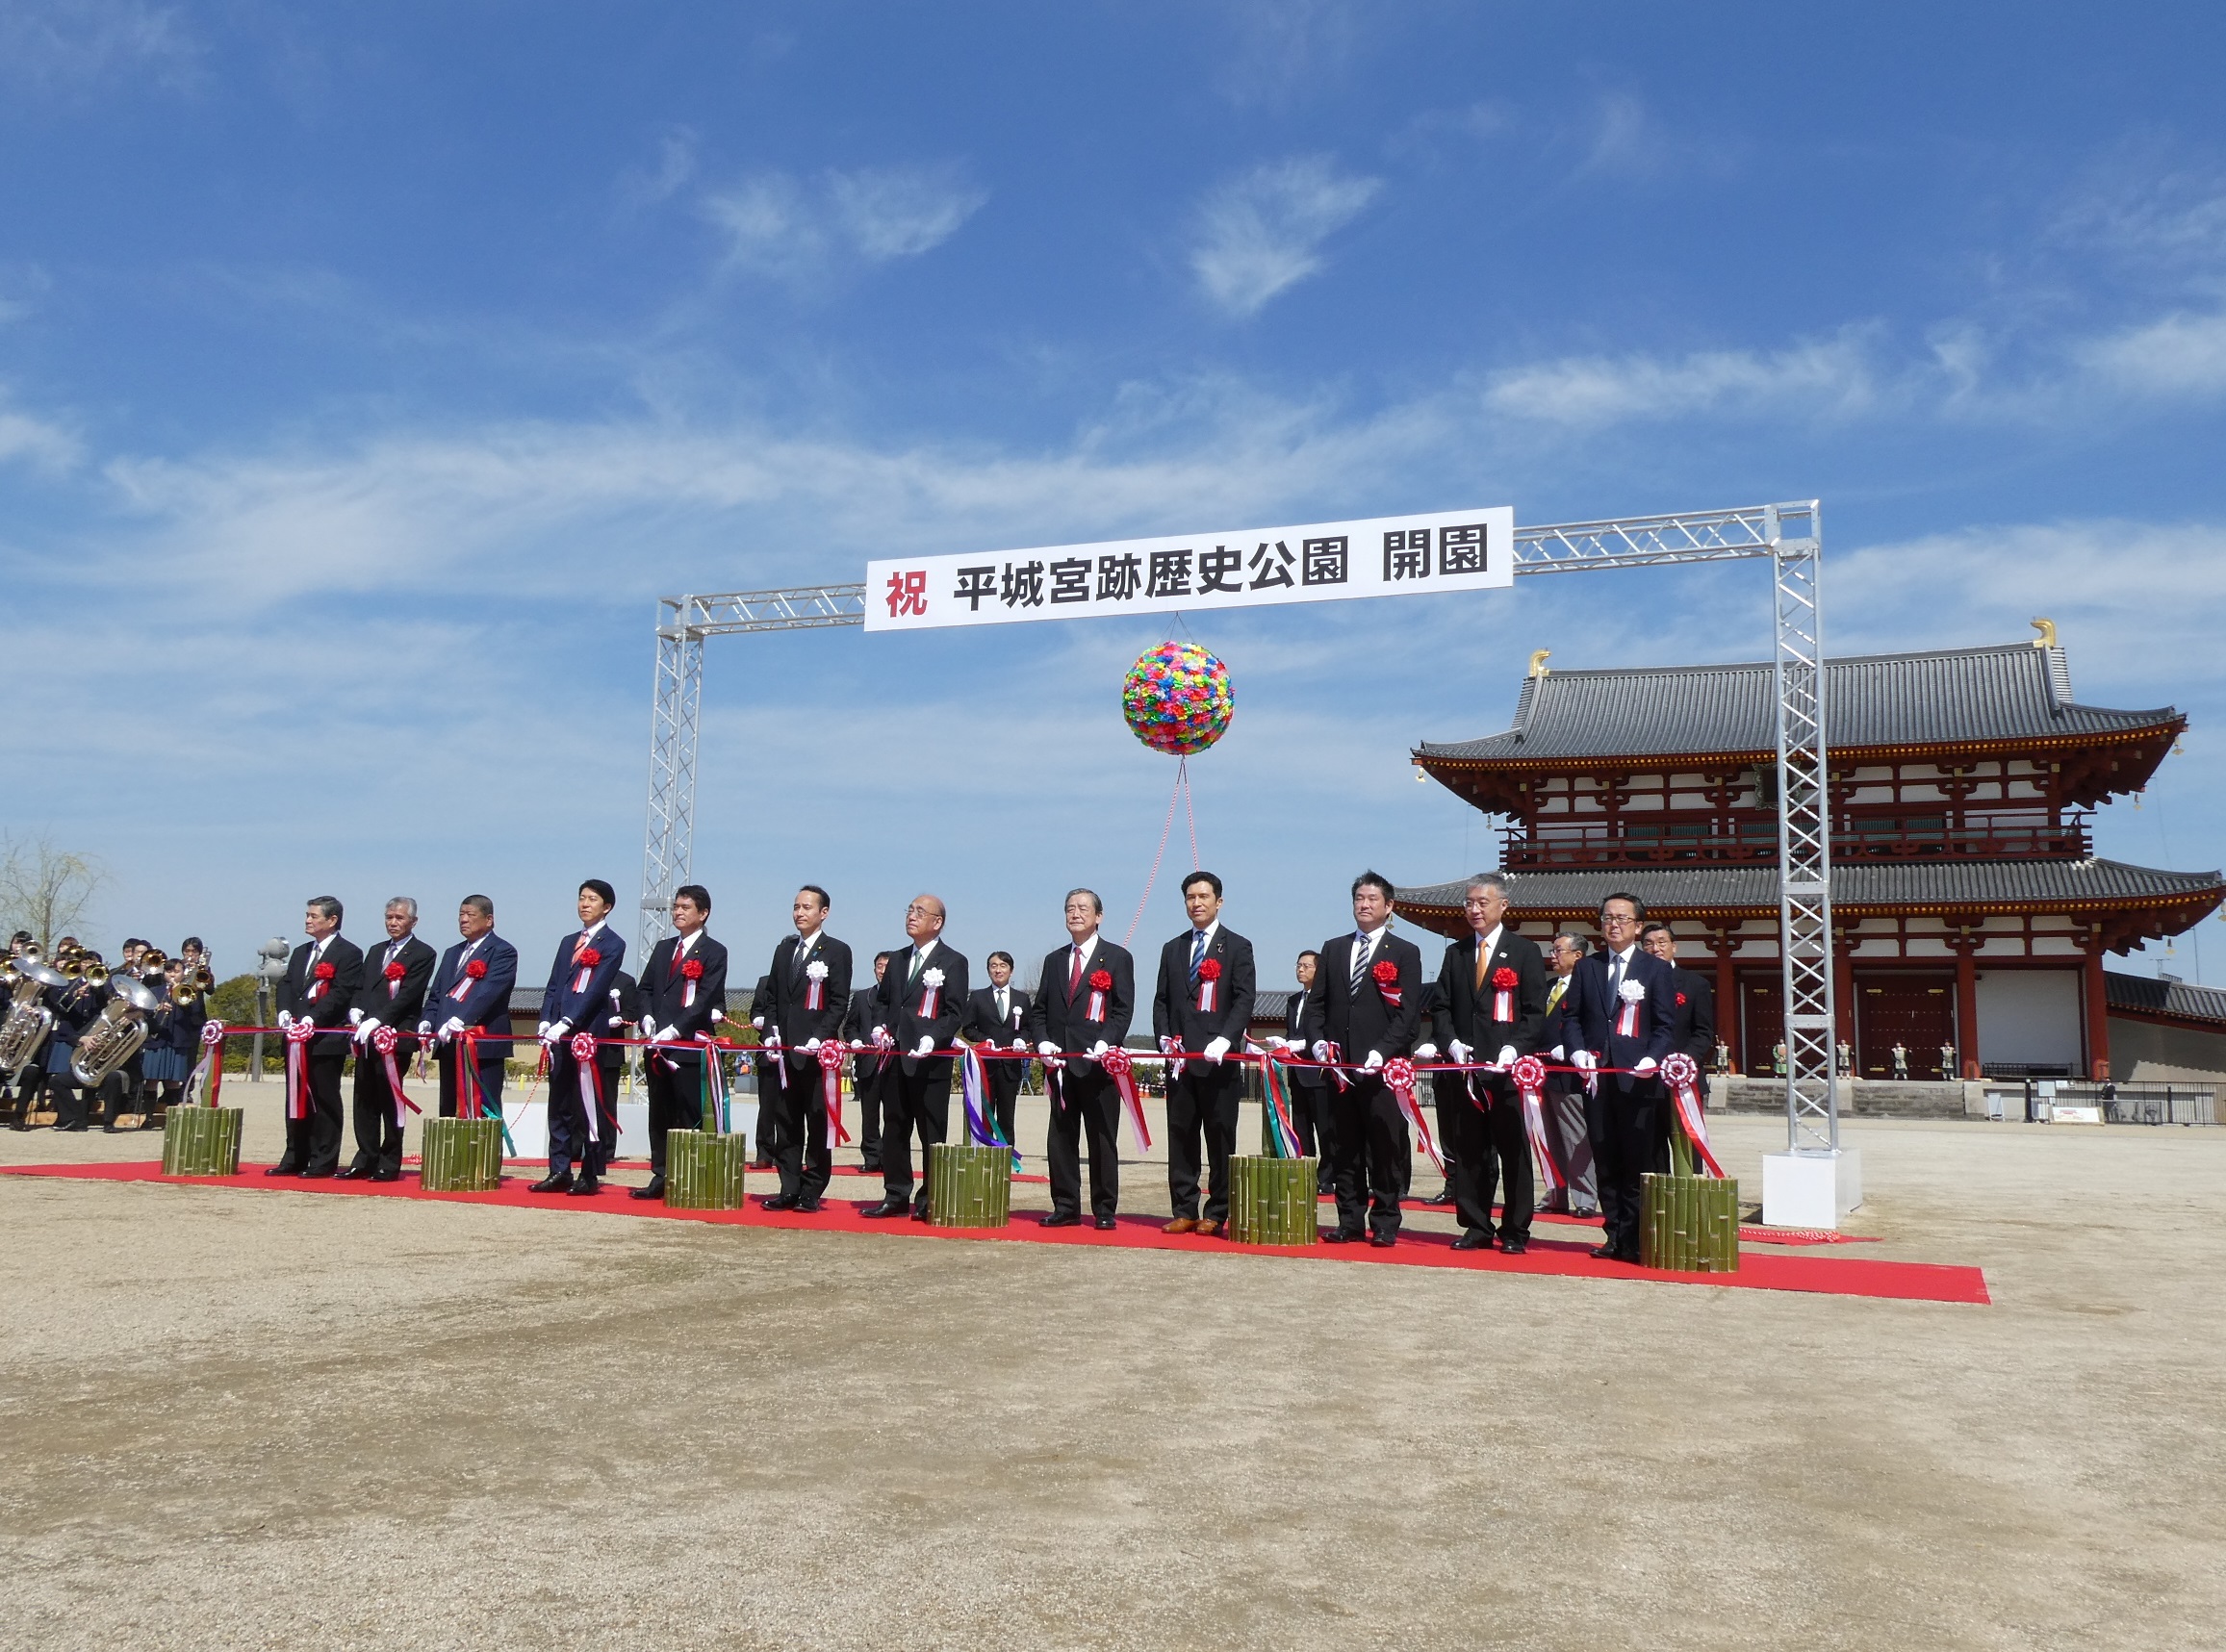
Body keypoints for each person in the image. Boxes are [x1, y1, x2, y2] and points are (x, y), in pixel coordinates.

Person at [1422, 872, 1550, 1254]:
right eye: (1469, 903)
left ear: (1503, 906)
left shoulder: (1525, 952)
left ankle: (1515, 1230)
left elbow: (1534, 1011)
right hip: (1466, 1071)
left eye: (1482, 902)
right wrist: (1452, 1042)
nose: (1474, 910)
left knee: (1513, 1152)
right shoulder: (1456, 953)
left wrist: (1516, 1048)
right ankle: (1475, 1224)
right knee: (1471, 1151)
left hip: (1509, 1071)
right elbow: (1441, 1006)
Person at [1300, 872, 1426, 1248]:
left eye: (1372, 898)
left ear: (1389, 907)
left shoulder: (1405, 952)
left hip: (1382, 1069)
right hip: (1339, 1068)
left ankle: (1386, 1220)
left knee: (1385, 1145)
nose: (1364, 904)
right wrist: (1318, 1043)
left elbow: (1408, 1014)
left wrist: (1382, 1051)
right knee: (1343, 1146)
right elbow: (1316, 1005)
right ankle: (1349, 1220)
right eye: (1358, 897)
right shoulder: (1334, 948)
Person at [1556, 892, 1678, 1263]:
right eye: (1608, 918)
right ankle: (1613, 1234)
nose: (1614, 925)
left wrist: (1650, 1059)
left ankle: (1637, 1237)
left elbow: (1664, 1025)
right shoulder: (1588, 967)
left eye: (1623, 919)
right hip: (1597, 1079)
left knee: (1637, 1159)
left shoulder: (1654, 969)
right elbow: (1572, 1017)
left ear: (1638, 926)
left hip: (1638, 1080)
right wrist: (1577, 1050)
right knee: (1605, 1157)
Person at [1149, 872, 1257, 1236]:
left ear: (1219, 901)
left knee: (1220, 1134)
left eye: (1203, 896)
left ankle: (1217, 1210)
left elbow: (1244, 999)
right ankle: (1184, 1208)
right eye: (1190, 898)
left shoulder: (1238, 947)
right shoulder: (1173, 948)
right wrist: (1163, 1038)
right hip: (1180, 1060)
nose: (1196, 903)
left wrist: (1227, 1039)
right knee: (1181, 1134)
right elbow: (1161, 999)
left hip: (1218, 1059)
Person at [1024, 888, 1134, 1231]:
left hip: (1099, 1065)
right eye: (1069, 908)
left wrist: (1105, 1043)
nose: (1075, 913)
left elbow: (1122, 1010)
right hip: (1060, 1065)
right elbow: (1039, 1009)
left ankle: (1104, 1209)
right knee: (1060, 1137)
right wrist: (1042, 1043)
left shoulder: (1116, 957)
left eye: (1083, 908)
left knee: (1102, 1138)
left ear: (1098, 916)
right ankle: (1066, 1205)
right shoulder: (1055, 960)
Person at [862, 895, 968, 1221]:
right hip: (895, 1056)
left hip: (930, 1059)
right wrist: (880, 1028)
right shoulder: (896, 959)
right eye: (909, 909)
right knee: (894, 1127)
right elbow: (883, 1002)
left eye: (920, 912)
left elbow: (954, 1011)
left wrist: (933, 1037)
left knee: (931, 1131)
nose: (912, 916)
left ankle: (929, 1198)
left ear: (937, 922)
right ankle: (895, 1194)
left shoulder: (953, 961)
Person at [757, 885, 854, 1213]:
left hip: (816, 1054)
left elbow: (839, 1002)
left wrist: (821, 1036)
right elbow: (772, 997)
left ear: (823, 912)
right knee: (785, 1122)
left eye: (807, 907)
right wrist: (771, 1033)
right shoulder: (784, 951)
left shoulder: (837, 951)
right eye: (796, 906)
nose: (799, 912)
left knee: (816, 1122)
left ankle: (812, 1188)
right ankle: (788, 1186)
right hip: (784, 1052)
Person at [633, 884, 729, 1202]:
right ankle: (660, 1174)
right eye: (676, 906)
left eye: (686, 907)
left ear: (703, 914)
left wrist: (676, 1029)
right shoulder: (663, 949)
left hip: (687, 1043)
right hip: (657, 1044)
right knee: (659, 1112)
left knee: (689, 1113)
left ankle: (688, 1176)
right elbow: (645, 988)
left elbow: (705, 998)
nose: (678, 911)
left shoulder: (715, 951)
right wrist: (646, 1018)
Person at [533, 880, 627, 1196]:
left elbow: (597, 987)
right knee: (558, 1101)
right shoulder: (567, 942)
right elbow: (554, 984)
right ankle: (558, 1168)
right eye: (581, 898)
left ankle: (589, 1171)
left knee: (588, 1102)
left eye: (592, 899)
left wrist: (569, 1021)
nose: (585, 904)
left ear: (607, 906)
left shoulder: (613, 943)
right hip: (558, 1033)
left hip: (587, 1032)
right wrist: (547, 1020)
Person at [340, 898, 436, 1181]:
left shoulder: (423, 953)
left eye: (399, 918)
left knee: (390, 1097)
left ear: (413, 922)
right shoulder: (375, 951)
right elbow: (361, 986)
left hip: (396, 1035)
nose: (393, 922)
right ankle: (365, 1157)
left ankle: (389, 1161)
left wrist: (379, 1020)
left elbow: (409, 995)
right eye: (389, 917)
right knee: (363, 1098)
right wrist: (356, 1009)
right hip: (366, 1036)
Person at [269, 898, 364, 1177]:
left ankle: (323, 1159)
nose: (307, 920)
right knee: (295, 1098)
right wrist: (285, 1012)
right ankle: (294, 1156)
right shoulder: (300, 952)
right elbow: (286, 985)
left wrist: (314, 1018)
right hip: (295, 1038)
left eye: (313, 916)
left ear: (332, 920)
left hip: (325, 1038)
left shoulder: (349, 953)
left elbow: (341, 992)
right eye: (306, 915)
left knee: (324, 1099)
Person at [420, 895, 518, 1121]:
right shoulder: (452, 953)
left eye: (470, 915)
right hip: (449, 1044)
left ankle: (486, 1157)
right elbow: (437, 995)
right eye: (461, 915)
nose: (464, 920)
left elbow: (489, 993)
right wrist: (428, 1020)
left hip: (482, 1044)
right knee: (450, 1109)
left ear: (489, 919)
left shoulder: (502, 951)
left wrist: (461, 1020)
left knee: (483, 1110)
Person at [1539, 932, 1599, 1219]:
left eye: (1559, 950)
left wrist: (1574, 1047)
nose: (1553, 955)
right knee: (1548, 1137)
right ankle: (1556, 1192)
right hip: (1541, 1072)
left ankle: (1585, 1197)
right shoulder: (1548, 986)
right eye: (1552, 950)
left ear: (1578, 955)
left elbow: (1591, 1023)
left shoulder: (1587, 985)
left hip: (1571, 1074)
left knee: (1575, 1138)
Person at [1640, 922, 1716, 1110]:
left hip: (1682, 1076)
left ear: (1674, 946)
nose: (1655, 948)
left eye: (1661, 942)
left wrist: (1682, 1063)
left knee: (1684, 1139)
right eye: (1648, 944)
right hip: (1643, 1079)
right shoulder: (1633, 983)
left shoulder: (1696, 984)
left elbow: (1703, 1031)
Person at [960, 952, 1032, 1148]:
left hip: (1010, 1066)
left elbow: (1029, 1027)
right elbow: (968, 1028)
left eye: (1003, 966)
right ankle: (982, 1155)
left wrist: (1022, 1039)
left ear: (1011, 970)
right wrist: (985, 1041)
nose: (998, 970)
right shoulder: (977, 997)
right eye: (993, 966)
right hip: (984, 1066)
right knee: (985, 1113)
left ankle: (1006, 1157)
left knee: (1007, 1117)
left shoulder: (1022, 999)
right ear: (988, 970)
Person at [1281, 951, 1332, 1194]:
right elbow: (1291, 1034)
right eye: (1298, 965)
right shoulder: (1293, 1001)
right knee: (1301, 1127)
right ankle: (1305, 1171)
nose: (1300, 969)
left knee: (1325, 1128)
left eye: (1306, 966)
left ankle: (1326, 1176)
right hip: (1297, 1073)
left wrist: (1305, 1044)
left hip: (1319, 1075)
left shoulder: (1326, 1000)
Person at [843, 952, 893, 1173]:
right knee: (869, 1115)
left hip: (894, 1064)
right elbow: (850, 1025)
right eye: (879, 966)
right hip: (868, 1064)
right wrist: (854, 1040)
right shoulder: (862, 997)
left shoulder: (903, 999)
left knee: (894, 1116)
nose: (883, 971)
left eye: (887, 967)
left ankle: (892, 1158)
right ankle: (872, 1157)